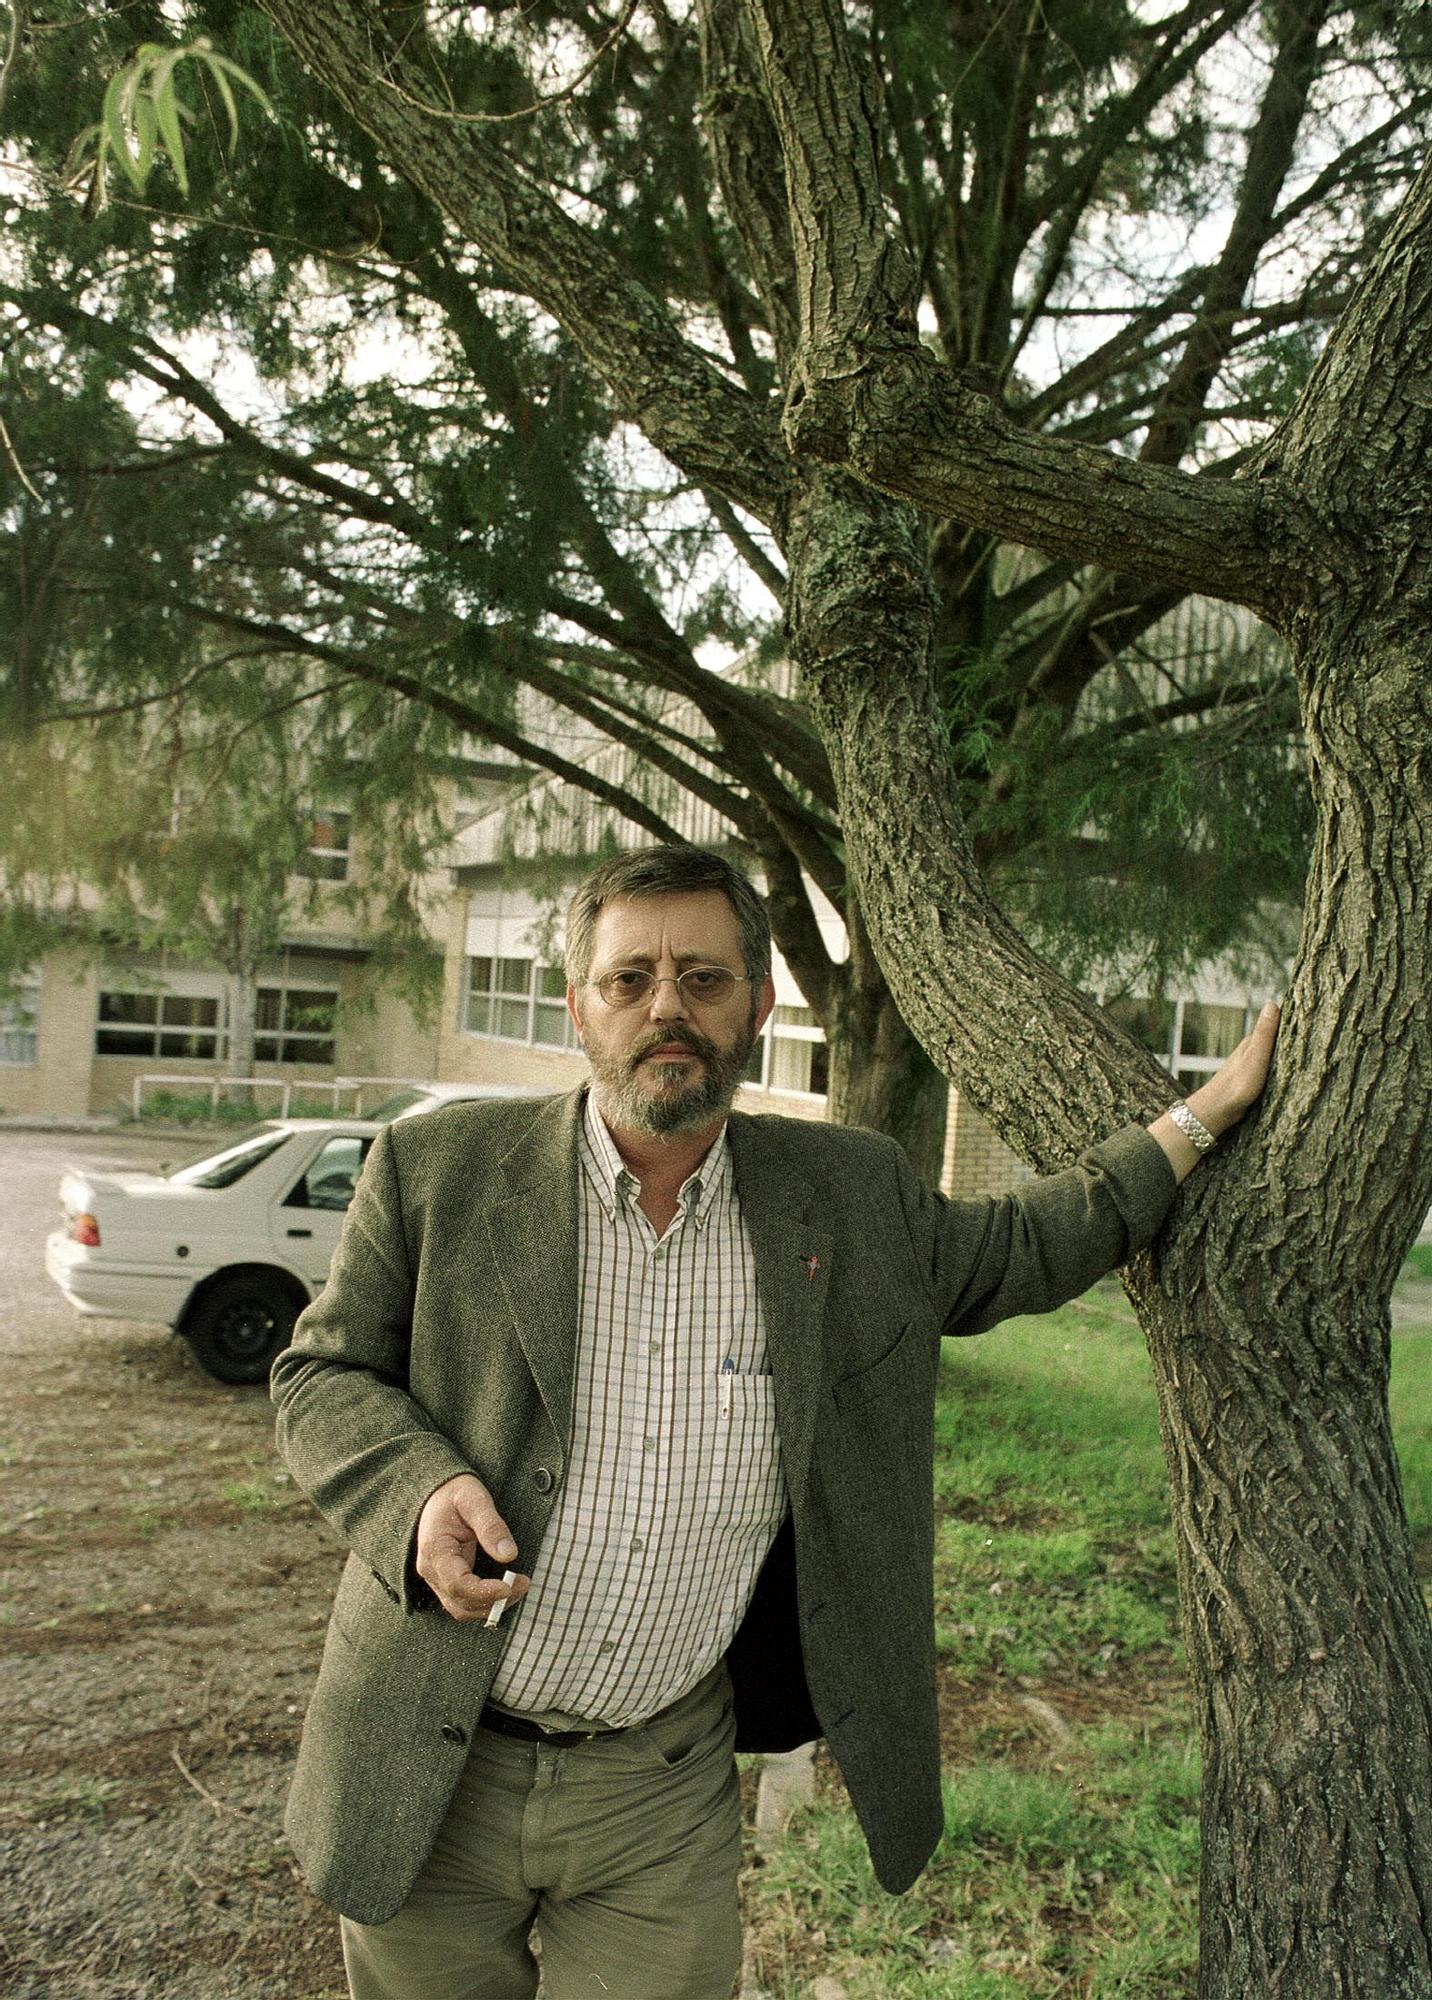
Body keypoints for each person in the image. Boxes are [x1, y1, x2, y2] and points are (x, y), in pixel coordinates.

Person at [272, 845, 1279, 2000]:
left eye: (703, 978)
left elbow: (1020, 1245)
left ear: (756, 1004)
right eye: (629, 978)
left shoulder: (846, 1194)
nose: (667, 1007)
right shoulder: (437, 1167)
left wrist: (1200, 1120)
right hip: (434, 1754)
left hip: (657, 1784)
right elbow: (321, 1374)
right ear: (577, 1006)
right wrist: (417, 1495)